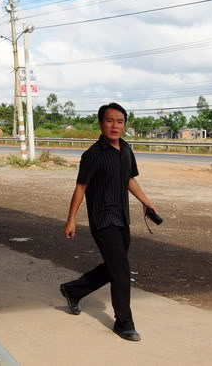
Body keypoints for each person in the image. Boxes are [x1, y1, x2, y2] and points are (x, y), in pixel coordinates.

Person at [60, 102, 157, 342]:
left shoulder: (126, 149)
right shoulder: (93, 155)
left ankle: (73, 290)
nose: (114, 126)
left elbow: (129, 180)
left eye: (119, 121)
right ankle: (124, 323)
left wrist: (146, 202)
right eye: (109, 121)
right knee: (122, 272)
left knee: (115, 266)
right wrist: (71, 220)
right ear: (101, 123)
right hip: (103, 220)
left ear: (124, 125)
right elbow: (80, 187)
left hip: (122, 218)